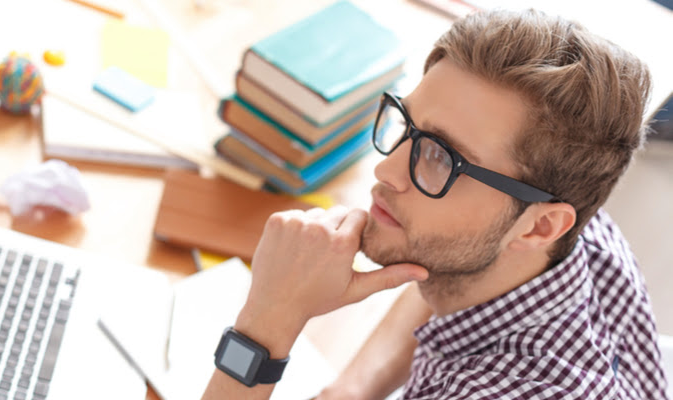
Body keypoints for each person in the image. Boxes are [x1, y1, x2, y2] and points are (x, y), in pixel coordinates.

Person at [202, 8, 667, 400]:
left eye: (442, 158)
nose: (386, 171)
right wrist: (350, 391)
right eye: (408, 126)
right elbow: (452, 260)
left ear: (540, 227)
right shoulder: (566, 232)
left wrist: (267, 323)